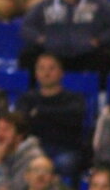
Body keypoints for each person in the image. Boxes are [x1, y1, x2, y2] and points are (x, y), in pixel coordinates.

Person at [14, 53, 87, 182]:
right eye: (41, 68)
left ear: (61, 72)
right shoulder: (27, 98)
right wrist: (58, 115)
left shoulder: (74, 99)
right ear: (36, 73)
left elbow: (74, 119)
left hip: (65, 149)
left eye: (51, 68)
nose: (46, 73)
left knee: (64, 163)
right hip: (34, 148)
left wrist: (39, 113)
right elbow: (21, 122)